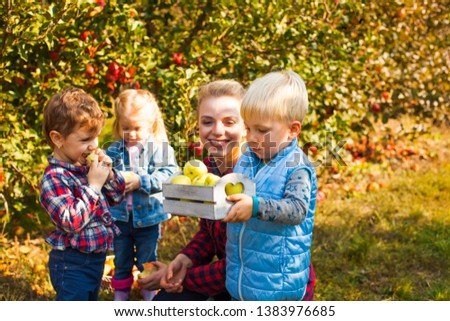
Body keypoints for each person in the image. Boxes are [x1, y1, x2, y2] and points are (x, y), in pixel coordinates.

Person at [138, 79, 316, 300]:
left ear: (244, 124)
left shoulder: (257, 172)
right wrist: (185, 260)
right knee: (166, 302)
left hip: (262, 280)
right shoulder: (208, 169)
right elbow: (209, 233)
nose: (217, 131)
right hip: (238, 283)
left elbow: (247, 259)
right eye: (207, 122)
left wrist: (185, 278)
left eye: (229, 121)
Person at [223, 70, 317, 301]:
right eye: (248, 129)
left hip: (278, 280)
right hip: (243, 274)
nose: (252, 137)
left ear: (293, 129)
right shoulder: (247, 157)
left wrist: (255, 206)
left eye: (262, 130)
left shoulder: (297, 166)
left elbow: (297, 210)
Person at [40, 87, 126, 301]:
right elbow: (71, 222)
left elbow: (116, 197)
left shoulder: (84, 166)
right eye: (86, 139)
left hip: (96, 259)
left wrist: (108, 174)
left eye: (96, 137)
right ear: (58, 139)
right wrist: (94, 186)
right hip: (72, 263)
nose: (94, 145)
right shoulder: (54, 178)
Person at [106, 89, 178, 301]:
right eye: (125, 127)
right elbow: (105, 177)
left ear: (150, 124)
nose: (131, 134)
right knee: (121, 260)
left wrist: (141, 181)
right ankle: (121, 297)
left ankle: (150, 296)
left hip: (148, 219)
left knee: (147, 261)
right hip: (120, 218)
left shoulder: (160, 149)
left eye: (137, 128)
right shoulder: (114, 150)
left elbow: (169, 175)